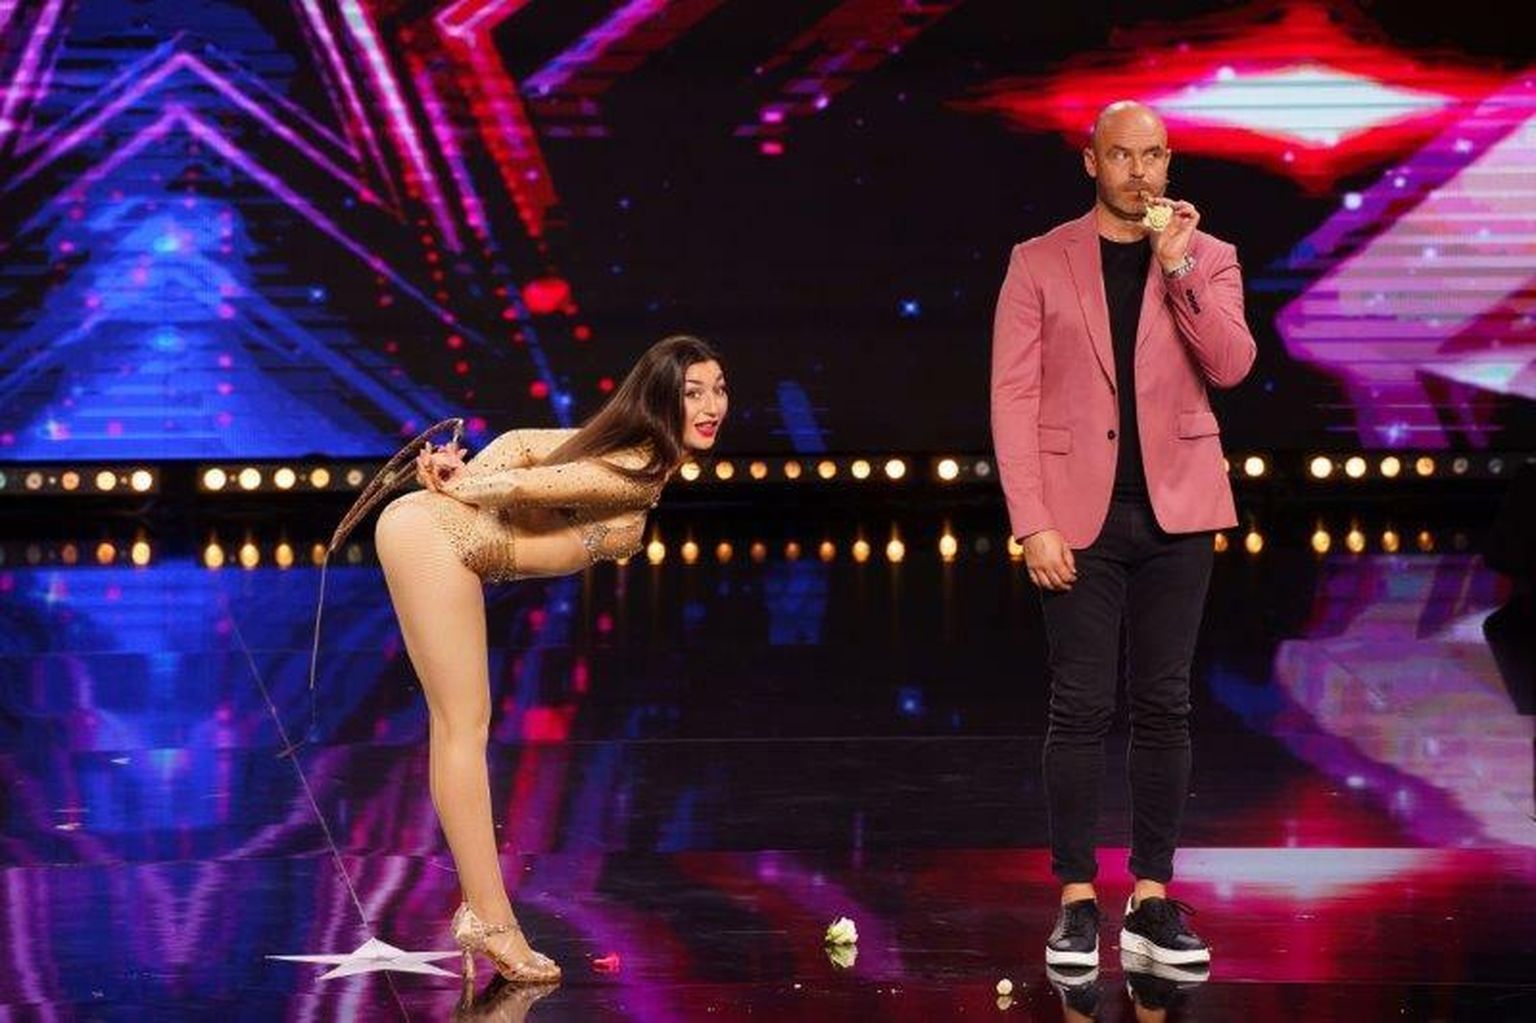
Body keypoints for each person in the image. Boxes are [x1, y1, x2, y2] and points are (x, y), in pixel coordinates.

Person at [369, 335, 728, 983]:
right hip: (434, 537)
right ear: (659, 399)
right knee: (463, 728)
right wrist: (467, 481)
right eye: (693, 392)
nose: (711, 406)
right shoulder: (633, 466)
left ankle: (484, 914)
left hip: (432, 532)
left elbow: (522, 446)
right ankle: (491, 921)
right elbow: (524, 475)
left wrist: (461, 478)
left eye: (719, 390)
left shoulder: (628, 453)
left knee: (456, 728)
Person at [989, 100, 1256, 969]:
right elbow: (1012, 397)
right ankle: (1076, 899)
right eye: (1121, 156)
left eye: (1153, 155)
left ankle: (1150, 897)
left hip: (1180, 508)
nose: (1139, 172)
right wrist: (1032, 520)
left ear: (1169, 161)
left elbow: (1232, 365)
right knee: (1080, 704)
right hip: (1077, 513)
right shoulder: (1037, 259)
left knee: (1165, 702)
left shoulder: (1209, 255)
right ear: (1090, 161)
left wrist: (1177, 267)